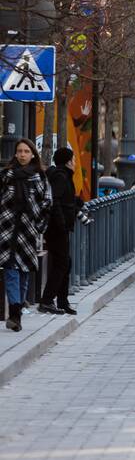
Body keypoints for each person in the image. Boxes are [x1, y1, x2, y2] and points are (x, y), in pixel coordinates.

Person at [0, 139, 52, 331]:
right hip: (7, 230)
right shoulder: (6, 175)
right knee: (10, 268)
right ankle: (14, 313)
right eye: (19, 151)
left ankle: (18, 307)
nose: (22, 155)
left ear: (32, 154)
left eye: (26, 151)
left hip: (28, 231)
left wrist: (39, 226)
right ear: (15, 154)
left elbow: (47, 203)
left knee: (23, 271)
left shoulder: (39, 177)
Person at [39, 147, 82, 315]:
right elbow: (55, 201)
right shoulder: (61, 177)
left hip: (60, 228)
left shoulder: (62, 176)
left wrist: (78, 203)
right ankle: (47, 300)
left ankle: (62, 300)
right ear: (69, 161)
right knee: (61, 263)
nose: (76, 163)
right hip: (57, 229)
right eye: (74, 159)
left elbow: (65, 199)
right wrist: (62, 224)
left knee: (65, 262)